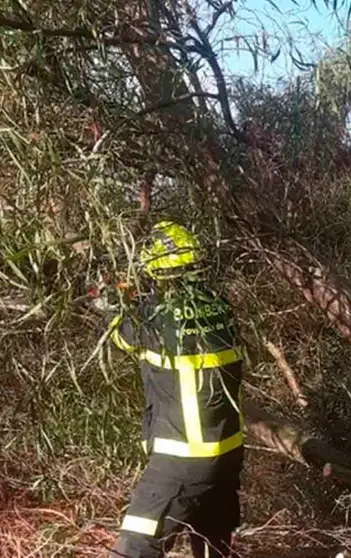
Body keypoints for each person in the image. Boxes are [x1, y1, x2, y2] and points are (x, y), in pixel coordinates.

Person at [106, 220, 244, 558]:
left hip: (181, 459)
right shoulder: (220, 306)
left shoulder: (152, 317)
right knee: (213, 546)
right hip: (227, 455)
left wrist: (119, 300)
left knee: (134, 549)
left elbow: (115, 335)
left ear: (153, 270)